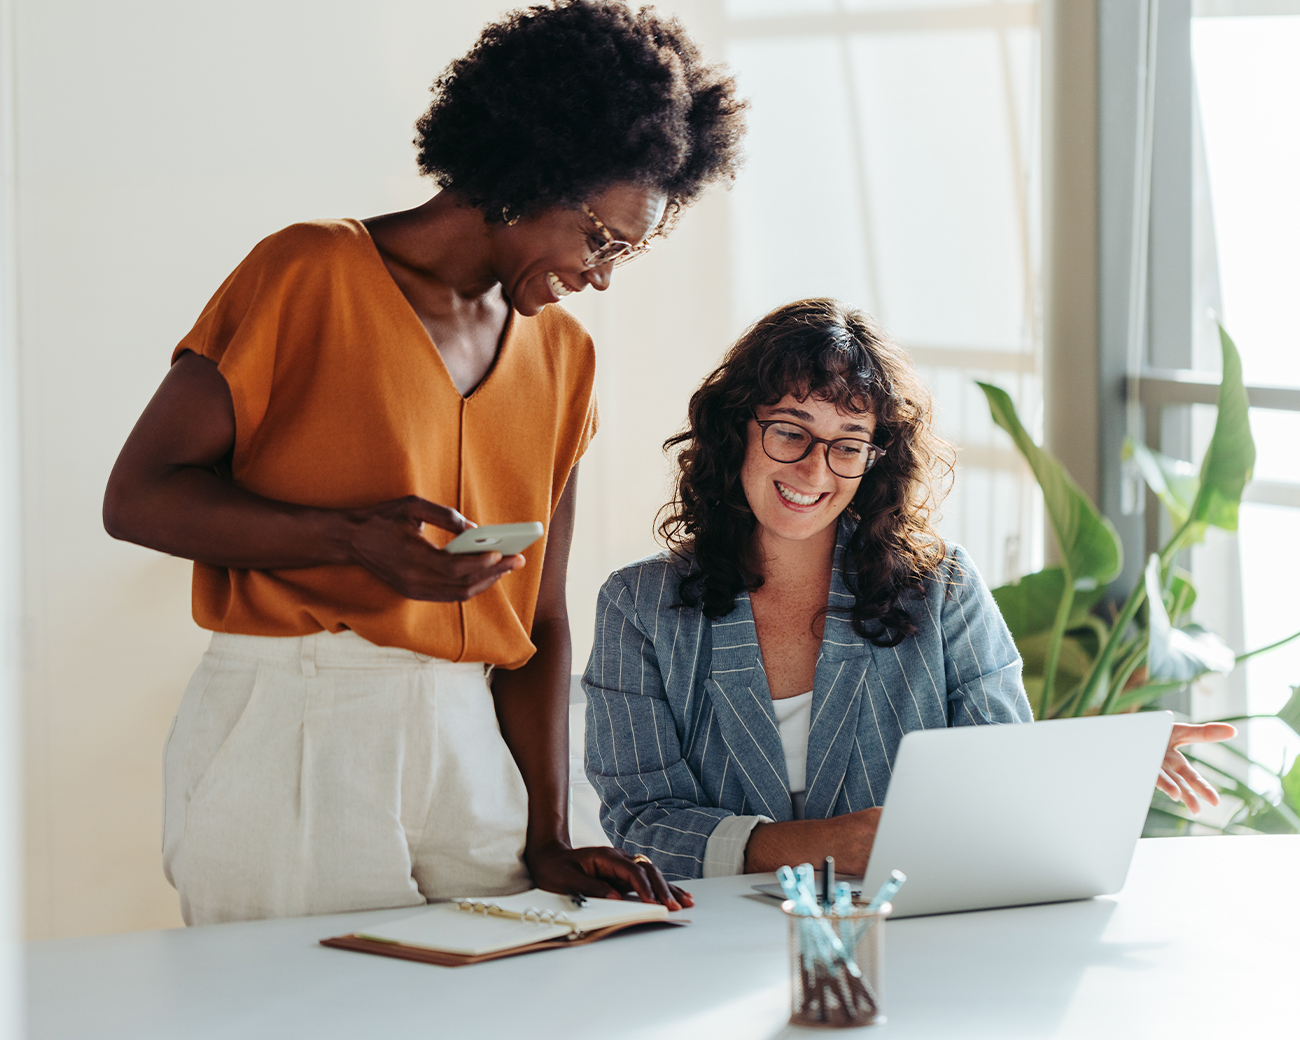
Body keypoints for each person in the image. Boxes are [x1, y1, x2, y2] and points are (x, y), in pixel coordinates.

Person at [103, 0, 745, 925]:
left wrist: (549, 835)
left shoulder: (565, 357)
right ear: (533, 175)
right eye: (599, 239)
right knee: (296, 1015)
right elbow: (138, 498)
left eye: (626, 254)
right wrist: (345, 540)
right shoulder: (309, 272)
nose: (601, 273)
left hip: (468, 737)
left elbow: (542, 618)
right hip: (297, 718)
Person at [582, 299, 1235, 880]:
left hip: (911, 929)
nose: (815, 468)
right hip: (711, 944)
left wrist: (1102, 760)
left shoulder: (942, 588)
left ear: (875, 460)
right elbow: (643, 822)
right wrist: (820, 843)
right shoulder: (638, 606)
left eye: (848, 445)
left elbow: (997, 774)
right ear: (737, 430)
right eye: (790, 431)